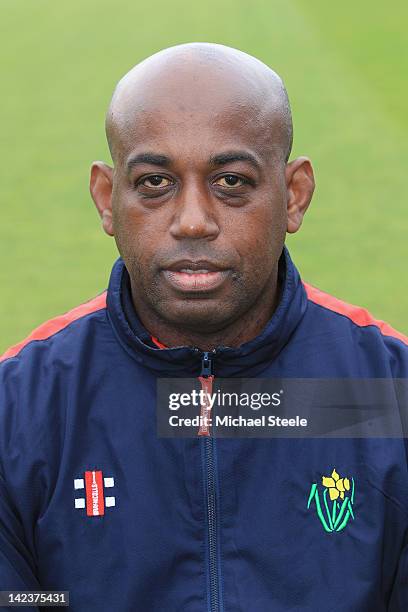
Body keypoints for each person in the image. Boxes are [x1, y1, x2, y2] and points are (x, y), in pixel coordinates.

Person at [0, 42, 407, 612]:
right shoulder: (20, 405)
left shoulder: (388, 390)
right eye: (154, 184)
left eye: (232, 182)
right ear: (107, 198)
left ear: (294, 195)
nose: (193, 221)